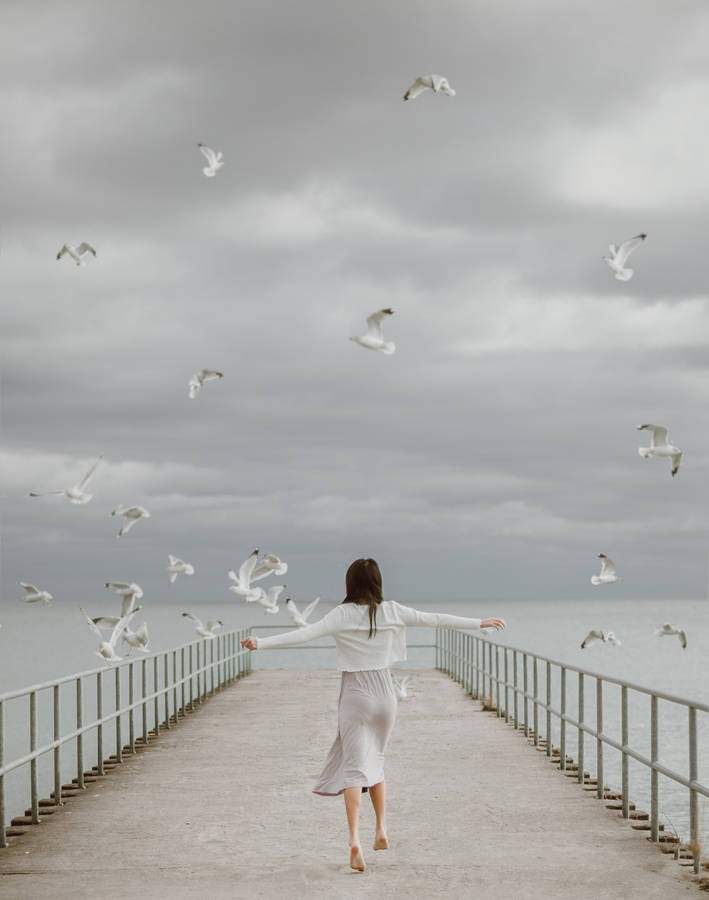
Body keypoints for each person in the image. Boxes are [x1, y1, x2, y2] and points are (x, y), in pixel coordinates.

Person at [240, 557, 506, 873]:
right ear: (378, 583)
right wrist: (479, 622)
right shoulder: (392, 610)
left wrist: (261, 642)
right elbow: (433, 618)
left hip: (355, 694)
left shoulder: (341, 614)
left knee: (353, 768)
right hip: (385, 694)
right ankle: (381, 828)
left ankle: (354, 840)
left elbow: (305, 634)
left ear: (349, 584)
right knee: (376, 759)